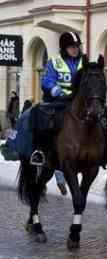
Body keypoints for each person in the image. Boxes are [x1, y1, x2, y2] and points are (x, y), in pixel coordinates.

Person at [30, 31, 84, 166]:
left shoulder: (85, 62)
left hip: (79, 101)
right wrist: (53, 88)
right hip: (58, 101)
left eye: (77, 46)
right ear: (64, 48)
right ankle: (39, 151)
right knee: (41, 116)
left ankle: (105, 151)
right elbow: (47, 79)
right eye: (72, 47)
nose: (75, 49)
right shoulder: (54, 62)